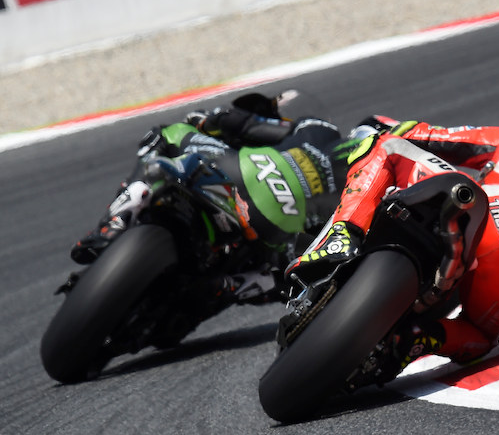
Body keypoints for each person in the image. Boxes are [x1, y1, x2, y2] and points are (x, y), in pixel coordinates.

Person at [286, 113, 499, 372]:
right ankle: (420, 339)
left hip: (482, 213)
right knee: (482, 337)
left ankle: (342, 235)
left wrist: (388, 127)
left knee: (387, 146)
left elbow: (428, 137)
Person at [70, 90, 363, 303]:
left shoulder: (313, 127)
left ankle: (119, 216)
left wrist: (207, 121)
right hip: (279, 234)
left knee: (168, 133)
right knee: (293, 273)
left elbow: (237, 123)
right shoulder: (358, 181)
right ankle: (234, 284)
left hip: (240, 176)